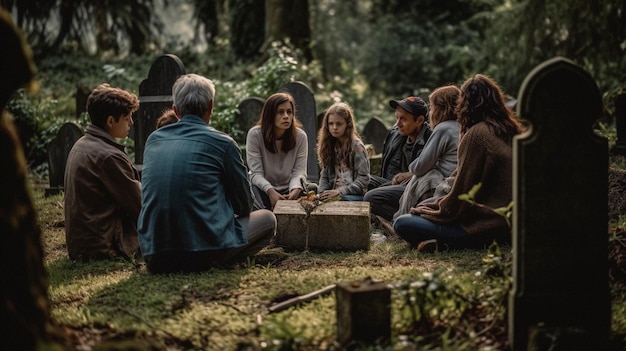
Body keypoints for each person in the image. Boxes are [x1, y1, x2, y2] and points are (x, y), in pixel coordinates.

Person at [138, 74, 276, 273]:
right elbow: (244, 205)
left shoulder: (153, 140)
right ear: (211, 107)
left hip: (154, 255)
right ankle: (220, 261)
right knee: (268, 219)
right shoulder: (224, 143)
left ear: (175, 110)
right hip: (202, 253)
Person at [393, 74, 525, 251]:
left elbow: (460, 194)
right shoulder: (510, 130)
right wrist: (432, 204)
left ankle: (449, 243)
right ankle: (435, 241)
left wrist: (431, 211)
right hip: (509, 223)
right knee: (423, 206)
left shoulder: (477, 135)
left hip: (485, 226)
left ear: (466, 104)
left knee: (403, 223)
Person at [64, 83, 141, 261]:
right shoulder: (108, 156)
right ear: (110, 121)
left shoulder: (82, 144)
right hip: (103, 246)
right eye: (127, 117)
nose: (131, 122)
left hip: (83, 243)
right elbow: (140, 206)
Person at [393, 85, 461, 220]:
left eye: (432, 107)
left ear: (440, 109)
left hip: (442, 185)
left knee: (374, 197)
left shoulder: (443, 128)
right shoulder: (461, 126)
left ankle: (400, 219)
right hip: (454, 185)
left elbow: (420, 167)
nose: (430, 112)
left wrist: (410, 171)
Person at [363, 96, 432, 222]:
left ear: (419, 120)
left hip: (415, 188)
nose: (398, 123)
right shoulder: (396, 135)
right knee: (362, 180)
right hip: (393, 184)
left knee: (371, 197)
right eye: (397, 118)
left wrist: (411, 174)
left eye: (403, 119)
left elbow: (435, 172)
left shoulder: (431, 140)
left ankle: (404, 221)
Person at [246, 92, 308, 210]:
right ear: (270, 114)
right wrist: (270, 191)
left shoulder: (300, 137)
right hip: (263, 189)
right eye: (280, 112)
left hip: (289, 189)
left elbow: (299, 171)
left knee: (312, 190)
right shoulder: (255, 135)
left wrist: (295, 189)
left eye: (289, 112)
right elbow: (256, 173)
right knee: (249, 193)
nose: (286, 116)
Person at [316, 102, 370, 201]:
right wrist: (321, 194)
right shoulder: (329, 146)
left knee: (341, 199)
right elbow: (325, 175)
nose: (334, 127)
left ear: (347, 124)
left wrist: (340, 191)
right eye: (331, 124)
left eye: (339, 124)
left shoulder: (357, 147)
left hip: (352, 195)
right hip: (334, 193)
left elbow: (363, 180)